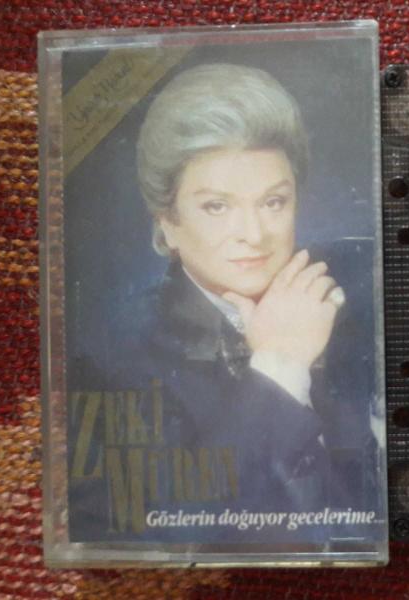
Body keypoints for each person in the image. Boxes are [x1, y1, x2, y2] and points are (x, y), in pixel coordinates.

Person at [67, 63, 380, 542]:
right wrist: (280, 366)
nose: (253, 234)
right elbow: (178, 533)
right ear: (166, 222)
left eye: (273, 202)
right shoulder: (108, 361)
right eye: (217, 206)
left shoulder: (360, 282)